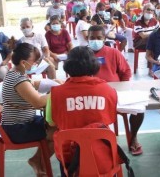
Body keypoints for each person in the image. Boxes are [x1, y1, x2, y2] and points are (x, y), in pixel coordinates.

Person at [46, 46, 118, 174]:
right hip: (100, 153)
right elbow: (110, 119)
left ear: (68, 66)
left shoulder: (56, 93)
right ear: (94, 65)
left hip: (69, 156)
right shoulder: (108, 90)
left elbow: (51, 122)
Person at [87, 25, 144, 155]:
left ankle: (133, 136)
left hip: (115, 94)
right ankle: (95, 141)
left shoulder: (114, 52)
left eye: (98, 38)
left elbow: (126, 72)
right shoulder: (82, 54)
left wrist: (123, 89)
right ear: (87, 38)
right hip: (91, 96)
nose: (95, 40)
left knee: (139, 109)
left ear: (104, 38)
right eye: (92, 38)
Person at [1, 42, 55, 176]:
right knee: (58, 132)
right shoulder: (18, 80)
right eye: (34, 62)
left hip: (18, 122)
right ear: (24, 62)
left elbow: (33, 84)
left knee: (54, 125)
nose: (36, 64)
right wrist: (57, 93)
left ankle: (37, 160)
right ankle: (38, 161)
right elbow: (38, 102)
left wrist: (54, 83)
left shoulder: (14, 74)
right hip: (18, 128)